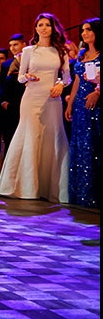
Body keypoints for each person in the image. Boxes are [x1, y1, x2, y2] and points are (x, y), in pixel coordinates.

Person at [0, 13, 71, 202]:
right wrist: (28, 77)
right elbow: (20, 76)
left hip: (53, 99)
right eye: (40, 25)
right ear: (36, 28)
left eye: (47, 25)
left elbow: (67, 77)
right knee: (32, 136)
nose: (43, 28)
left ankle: (51, 187)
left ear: (53, 28)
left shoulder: (61, 51)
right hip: (32, 98)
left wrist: (60, 85)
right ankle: (26, 187)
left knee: (53, 137)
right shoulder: (29, 51)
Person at [65, 17, 100, 209]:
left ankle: (95, 194)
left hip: (96, 104)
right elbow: (77, 80)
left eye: (88, 30)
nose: (84, 33)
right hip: (79, 105)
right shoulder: (82, 54)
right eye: (82, 30)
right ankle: (82, 194)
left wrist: (97, 93)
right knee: (81, 145)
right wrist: (70, 103)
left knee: (94, 145)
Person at [0, 34, 27, 152]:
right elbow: (2, 85)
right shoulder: (6, 64)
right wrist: (3, 101)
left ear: (24, 44)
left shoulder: (31, 61)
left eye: (16, 44)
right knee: (10, 137)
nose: (12, 48)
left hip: (27, 101)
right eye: (10, 45)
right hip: (11, 106)